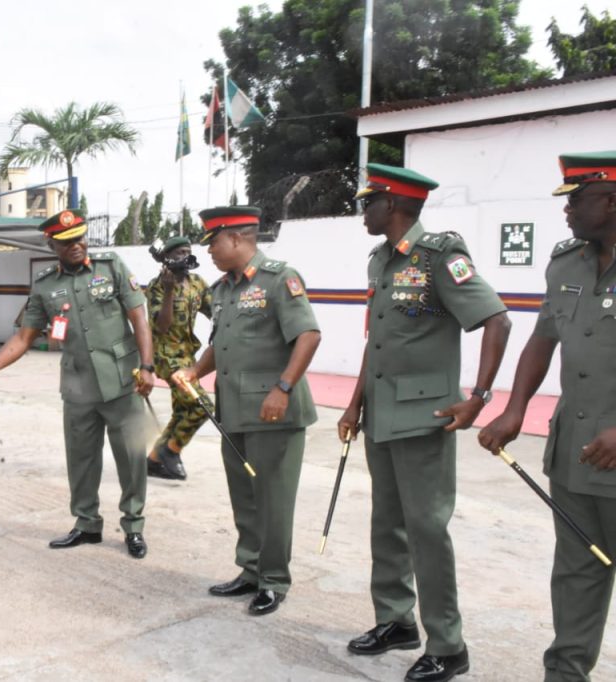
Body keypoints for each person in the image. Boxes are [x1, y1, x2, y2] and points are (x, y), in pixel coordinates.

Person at [337, 164, 511, 682]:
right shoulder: (380, 262)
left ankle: (448, 644)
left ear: (391, 205)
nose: (363, 211)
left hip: (425, 415)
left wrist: (478, 398)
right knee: (386, 524)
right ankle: (396, 621)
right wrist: (353, 403)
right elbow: (380, 341)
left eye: (369, 202)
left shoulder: (441, 257)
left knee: (427, 531)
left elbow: (496, 319)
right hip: (381, 415)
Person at [478, 151, 616, 682]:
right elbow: (542, 339)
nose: (567, 211)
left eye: (576, 200)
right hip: (575, 449)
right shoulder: (566, 262)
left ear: (611, 200)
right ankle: (565, 672)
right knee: (578, 569)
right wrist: (514, 408)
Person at [0, 209, 155, 559]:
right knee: (81, 460)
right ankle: (87, 524)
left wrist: (147, 366)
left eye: (79, 238)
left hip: (123, 382)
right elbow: (24, 338)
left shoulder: (111, 266)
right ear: (52, 244)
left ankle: (134, 525)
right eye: (66, 242)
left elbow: (139, 317)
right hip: (77, 387)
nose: (76, 245)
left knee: (131, 458)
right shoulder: (45, 285)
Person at [172, 206, 321, 617]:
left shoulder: (279, 279)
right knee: (246, 496)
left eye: (215, 243)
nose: (211, 252)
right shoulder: (222, 290)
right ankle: (251, 570)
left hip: (275, 412)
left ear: (238, 238)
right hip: (234, 409)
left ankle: (273, 580)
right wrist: (195, 370)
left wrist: (284, 387)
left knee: (273, 498)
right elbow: (219, 345)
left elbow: (308, 335)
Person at [144, 236, 213, 480]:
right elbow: (161, 327)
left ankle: (153, 460)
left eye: (188, 251)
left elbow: (216, 311)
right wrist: (170, 290)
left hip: (187, 356)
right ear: (168, 257)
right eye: (180, 252)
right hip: (166, 357)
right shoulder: (157, 287)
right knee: (201, 405)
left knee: (183, 411)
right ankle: (171, 451)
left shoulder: (197, 283)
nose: (186, 256)